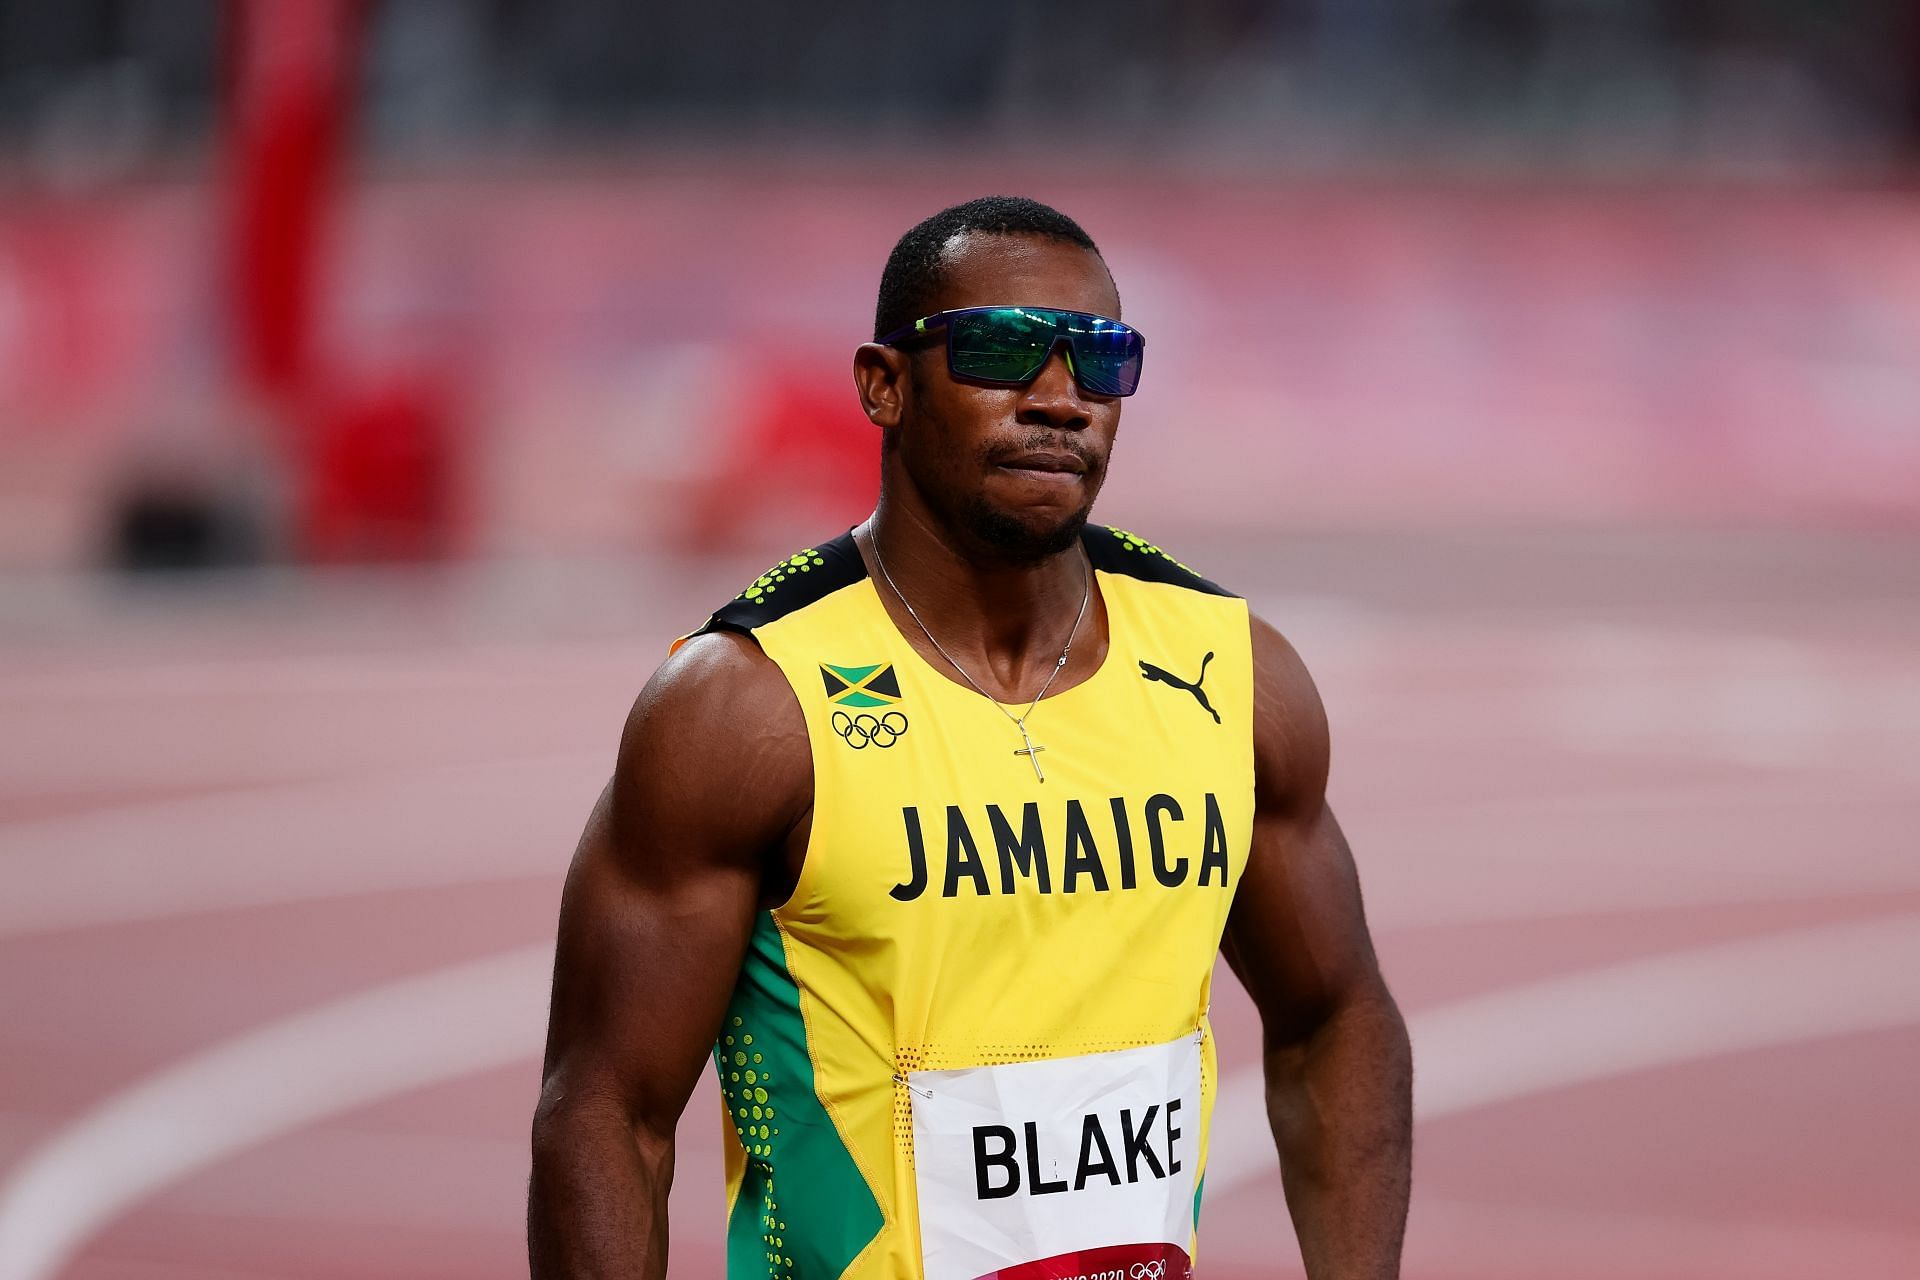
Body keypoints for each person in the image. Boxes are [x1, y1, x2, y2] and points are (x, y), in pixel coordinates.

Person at [528, 196, 1411, 1280]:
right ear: (884, 384)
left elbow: (1336, 1014)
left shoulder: (1232, 673)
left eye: (1101, 358)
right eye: (1001, 349)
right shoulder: (749, 704)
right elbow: (607, 1111)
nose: (1059, 398)